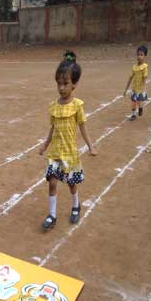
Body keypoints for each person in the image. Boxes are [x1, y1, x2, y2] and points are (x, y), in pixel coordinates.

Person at [39, 51, 97, 231]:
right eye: (59, 84)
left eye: (66, 84)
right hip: (55, 153)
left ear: (74, 84)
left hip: (70, 154)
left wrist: (90, 146)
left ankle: (75, 205)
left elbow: (82, 127)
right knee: (53, 182)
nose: (61, 88)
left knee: (72, 184)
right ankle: (52, 215)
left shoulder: (77, 106)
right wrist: (45, 145)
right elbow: (53, 128)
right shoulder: (53, 106)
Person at [124, 45, 148, 121]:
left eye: (141, 55)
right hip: (134, 89)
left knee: (139, 102)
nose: (139, 56)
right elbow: (130, 78)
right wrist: (126, 89)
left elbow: (145, 77)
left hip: (140, 90)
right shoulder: (134, 67)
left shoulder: (144, 67)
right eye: (138, 54)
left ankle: (140, 108)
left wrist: (144, 78)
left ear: (144, 56)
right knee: (133, 103)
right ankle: (133, 114)